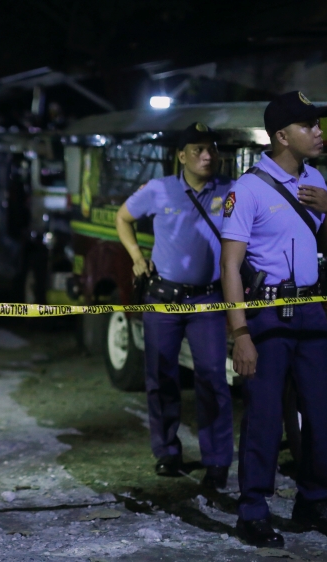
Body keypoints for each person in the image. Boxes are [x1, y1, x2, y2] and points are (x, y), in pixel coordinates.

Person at [220, 91, 327, 547]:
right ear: (282, 135)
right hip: (266, 313)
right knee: (262, 416)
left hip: (311, 310)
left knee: (322, 409)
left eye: (318, 125)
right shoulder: (250, 188)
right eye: (309, 126)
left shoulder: (314, 179)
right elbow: (230, 266)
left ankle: (315, 500)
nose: (320, 132)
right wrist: (240, 332)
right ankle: (253, 511)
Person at [115, 123, 235, 490]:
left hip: (208, 298)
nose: (207, 156)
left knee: (213, 377)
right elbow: (123, 217)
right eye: (198, 149)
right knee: (161, 375)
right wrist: (136, 255)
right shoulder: (158, 189)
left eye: (211, 149)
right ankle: (166, 451)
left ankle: (216, 461)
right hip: (163, 298)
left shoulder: (231, 190)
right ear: (181, 155)